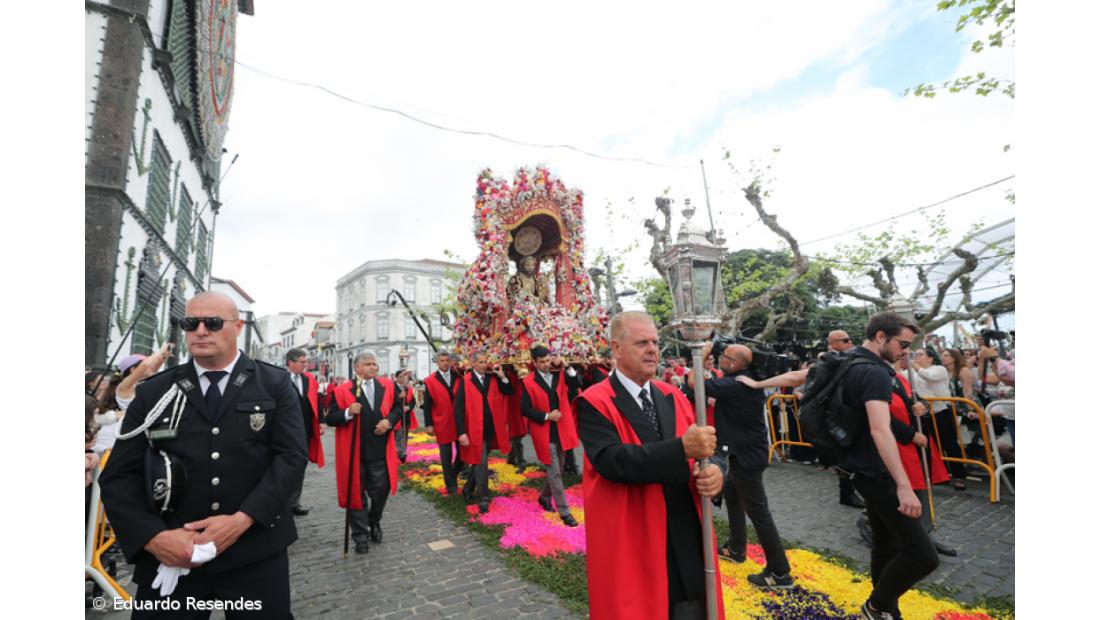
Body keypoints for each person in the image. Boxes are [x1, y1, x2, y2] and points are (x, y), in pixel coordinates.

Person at [99, 291, 307, 618]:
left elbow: (291, 458)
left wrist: (243, 519)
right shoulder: (156, 391)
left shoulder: (273, 384)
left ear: (237, 326)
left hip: (254, 551)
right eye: (190, 323)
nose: (200, 331)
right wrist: (153, 538)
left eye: (212, 322)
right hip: (173, 552)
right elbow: (119, 475)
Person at [577, 311, 725, 620]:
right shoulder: (595, 400)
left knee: (693, 607)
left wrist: (716, 472)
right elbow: (612, 461)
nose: (653, 350)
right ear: (616, 349)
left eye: (655, 342)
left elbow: (707, 447)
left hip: (686, 530)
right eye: (642, 342)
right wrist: (681, 448)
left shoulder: (672, 395)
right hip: (636, 533)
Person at [841, 312, 938, 620]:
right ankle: (877, 605)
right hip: (876, 470)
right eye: (903, 344)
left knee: (885, 545)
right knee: (923, 555)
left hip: (858, 466)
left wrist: (760, 381)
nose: (906, 351)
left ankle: (886, 611)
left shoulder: (849, 361)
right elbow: (880, 429)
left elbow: (800, 378)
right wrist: (904, 485)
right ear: (881, 336)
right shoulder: (873, 372)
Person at [687, 342, 793, 589]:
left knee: (759, 512)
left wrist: (701, 352)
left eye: (721, 356)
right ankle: (736, 548)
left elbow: (694, 382)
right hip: (741, 453)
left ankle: (780, 572)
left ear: (732, 364)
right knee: (733, 497)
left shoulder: (735, 383)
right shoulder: (744, 379)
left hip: (746, 457)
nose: (718, 358)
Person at [326, 353, 401, 554]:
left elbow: (397, 408)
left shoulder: (387, 385)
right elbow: (331, 418)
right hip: (353, 453)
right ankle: (359, 536)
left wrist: (389, 421)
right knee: (355, 495)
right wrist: (348, 412)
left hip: (379, 450)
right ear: (356, 368)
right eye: (368, 364)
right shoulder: (342, 390)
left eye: (375, 364)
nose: (373, 368)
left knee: (381, 490)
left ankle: (373, 520)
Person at [520, 345, 582, 526]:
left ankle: (544, 497)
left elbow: (577, 384)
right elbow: (524, 409)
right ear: (534, 363)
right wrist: (547, 416)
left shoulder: (559, 374)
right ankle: (565, 512)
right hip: (543, 432)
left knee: (558, 469)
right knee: (554, 472)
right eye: (542, 362)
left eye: (548, 360)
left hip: (562, 430)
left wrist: (566, 365)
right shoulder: (528, 382)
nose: (546, 364)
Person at [454, 352, 516, 514]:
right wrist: (461, 432)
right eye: (481, 362)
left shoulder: (492, 378)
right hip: (474, 429)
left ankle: (468, 489)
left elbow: (509, 391)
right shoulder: (465, 381)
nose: (484, 365)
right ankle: (483, 498)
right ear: (473, 363)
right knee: (481, 463)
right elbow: (458, 409)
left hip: (490, 428)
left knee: (479, 461)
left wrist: (502, 376)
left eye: (485, 362)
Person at [911, 347, 967, 491]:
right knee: (930, 444)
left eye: (920, 354)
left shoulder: (939, 369)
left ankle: (959, 476)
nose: (916, 356)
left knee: (950, 444)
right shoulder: (912, 373)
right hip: (924, 414)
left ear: (930, 358)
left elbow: (929, 377)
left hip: (941, 411)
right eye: (915, 354)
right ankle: (937, 474)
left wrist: (916, 366)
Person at [286, 348, 324, 517]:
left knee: (301, 465)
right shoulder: (280, 379)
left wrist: (321, 421)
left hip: (305, 430)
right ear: (291, 363)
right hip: (285, 431)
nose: (305, 365)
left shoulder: (308, 379)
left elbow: (317, 400)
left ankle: (294, 502)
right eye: (302, 362)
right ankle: (281, 503)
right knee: (285, 467)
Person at [423, 350, 463, 495]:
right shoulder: (430, 380)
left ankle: (454, 472)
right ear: (437, 362)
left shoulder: (459, 376)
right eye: (442, 360)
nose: (445, 363)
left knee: (463, 454)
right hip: (442, 422)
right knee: (445, 456)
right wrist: (428, 424)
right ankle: (451, 486)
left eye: (447, 360)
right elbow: (427, 404)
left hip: (459, 422)